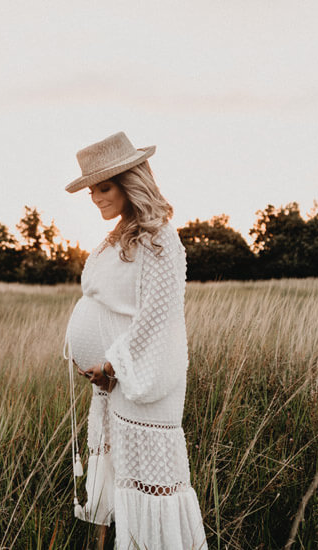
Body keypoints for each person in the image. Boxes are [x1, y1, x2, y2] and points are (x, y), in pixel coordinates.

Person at [63, 131, 207, 550]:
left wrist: (111, 367)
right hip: (113, 387)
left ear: (131, 182)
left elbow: (156, 320)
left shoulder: (160, 237)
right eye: (91, 190)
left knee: (147, 488)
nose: (95, 197)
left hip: (139, 382)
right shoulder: (117, 235)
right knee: (118, 489)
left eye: (103, 187)